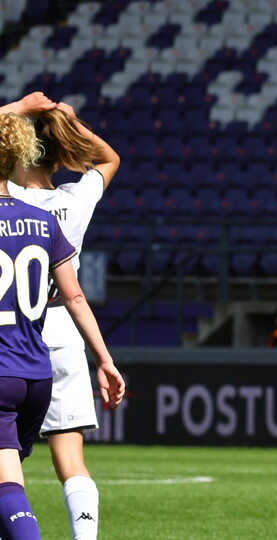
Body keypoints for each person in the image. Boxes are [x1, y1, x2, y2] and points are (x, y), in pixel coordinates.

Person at [0, 112, 124, 540]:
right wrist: (67, 121)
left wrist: (20, 108)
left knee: (7, 468)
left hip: (14, 331)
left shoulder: (12, 194)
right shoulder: (77, 197)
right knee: (71, 460)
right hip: (66, 330)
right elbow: (110, 158)